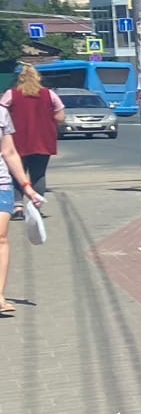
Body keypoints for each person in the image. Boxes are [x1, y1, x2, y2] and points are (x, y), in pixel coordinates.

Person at [0, 95, 48, 319]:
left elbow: (9, 152)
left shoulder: (1, 113)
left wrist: (27, 188)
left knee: (1, 237)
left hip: (1, 184)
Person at [0, 65, 63, 212]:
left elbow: (2, 113)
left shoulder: (11, 94)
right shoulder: (49, 94)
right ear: (38, 78)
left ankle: (17, 206)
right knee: (39, 174)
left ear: (20, 79)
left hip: (17, 140)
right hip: (43, 140)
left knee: (16, 172)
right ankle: (37, 205)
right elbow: (60, 117)